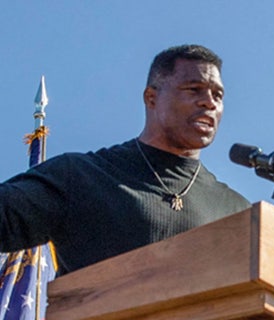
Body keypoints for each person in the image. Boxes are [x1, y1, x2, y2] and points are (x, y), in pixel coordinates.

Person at [0, 44, 251, 275]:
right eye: (194, 89)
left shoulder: (237, 212)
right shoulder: (82, 176)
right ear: (151, 98)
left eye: (218, 95)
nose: (209, 102)